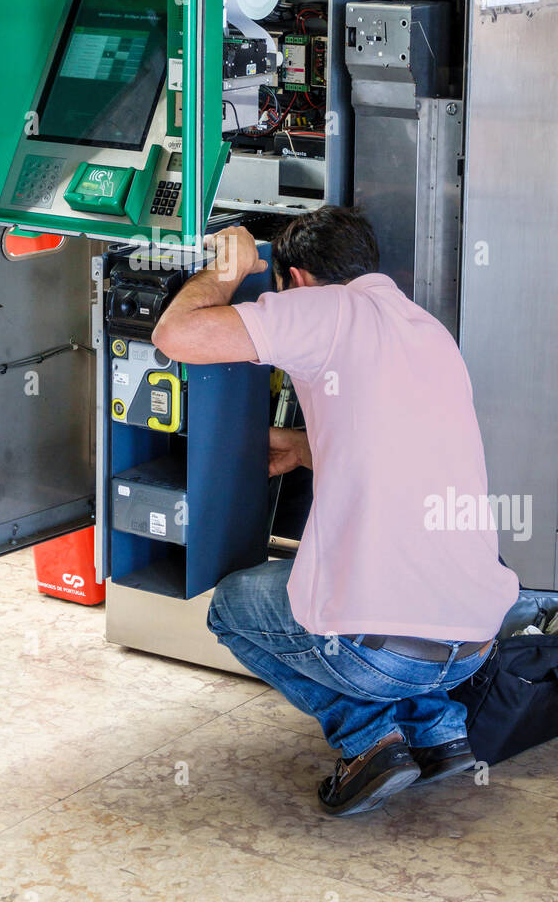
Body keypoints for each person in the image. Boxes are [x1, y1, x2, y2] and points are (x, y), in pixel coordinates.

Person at [151, 207, 519, 817]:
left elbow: (177, 336)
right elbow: (398, 448)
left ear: (294, 279)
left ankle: (368, 739)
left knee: (230, 608)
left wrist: (227, 266)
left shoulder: (321, 309)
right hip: (475, 645)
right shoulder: (427, 329)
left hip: (384, 657)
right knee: (405, 592)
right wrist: (301, 448)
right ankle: (438, 733)